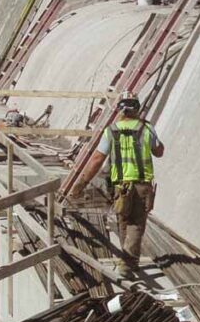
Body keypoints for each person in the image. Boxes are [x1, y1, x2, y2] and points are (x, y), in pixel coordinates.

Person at [69, 96, 164, 278]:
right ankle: (127, 265)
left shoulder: (111, 131)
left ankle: (128, 260)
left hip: (120, 187)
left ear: (120, 111)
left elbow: (97, 159)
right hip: (142, 186)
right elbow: (159, 152)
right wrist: (152, 135)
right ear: (137, 110)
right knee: (136, 225)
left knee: (123, 221)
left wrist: (80, 185)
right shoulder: (147, 129)